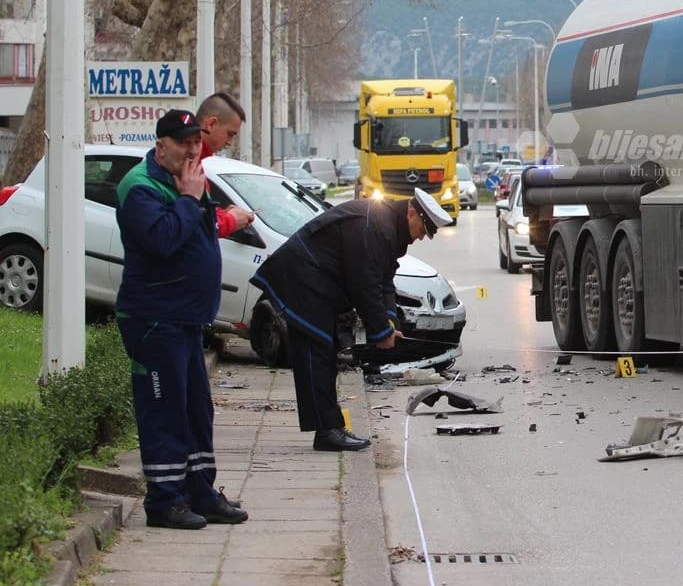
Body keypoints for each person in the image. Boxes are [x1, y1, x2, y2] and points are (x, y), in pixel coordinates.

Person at [115, 109, 249, 528]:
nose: (192, 151)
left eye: (196, 142)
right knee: (165, 410)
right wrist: (190, 199)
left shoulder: (189, 180)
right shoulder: (140, 187)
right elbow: (163, 240)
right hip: (155, 318)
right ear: (161, 146)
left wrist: (197, 199)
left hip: (186, 319)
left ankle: (200, 492)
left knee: (196, 411)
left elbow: (202, 233)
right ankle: (164, 501)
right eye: (183, 143)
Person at [249, 188, 452, 451]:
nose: (422, 236)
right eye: (423, 229)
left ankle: (329, 428)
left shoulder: (388, 227)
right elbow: (364, 285)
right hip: (303, 279)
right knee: (317, 355)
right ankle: (327, 432)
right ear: (412, 212)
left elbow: (384, 280)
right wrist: (380, 332)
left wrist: (390, 323)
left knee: (323, 354)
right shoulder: (375, 225)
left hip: (316, 282)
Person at [195, 91, 254, 236]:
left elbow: (199, 213)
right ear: (211, 124)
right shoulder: (184, 164)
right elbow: (193, 225)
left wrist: (223, 215)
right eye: (230, 134)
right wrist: (230, 220)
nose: (229, 143)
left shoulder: (196, 163)